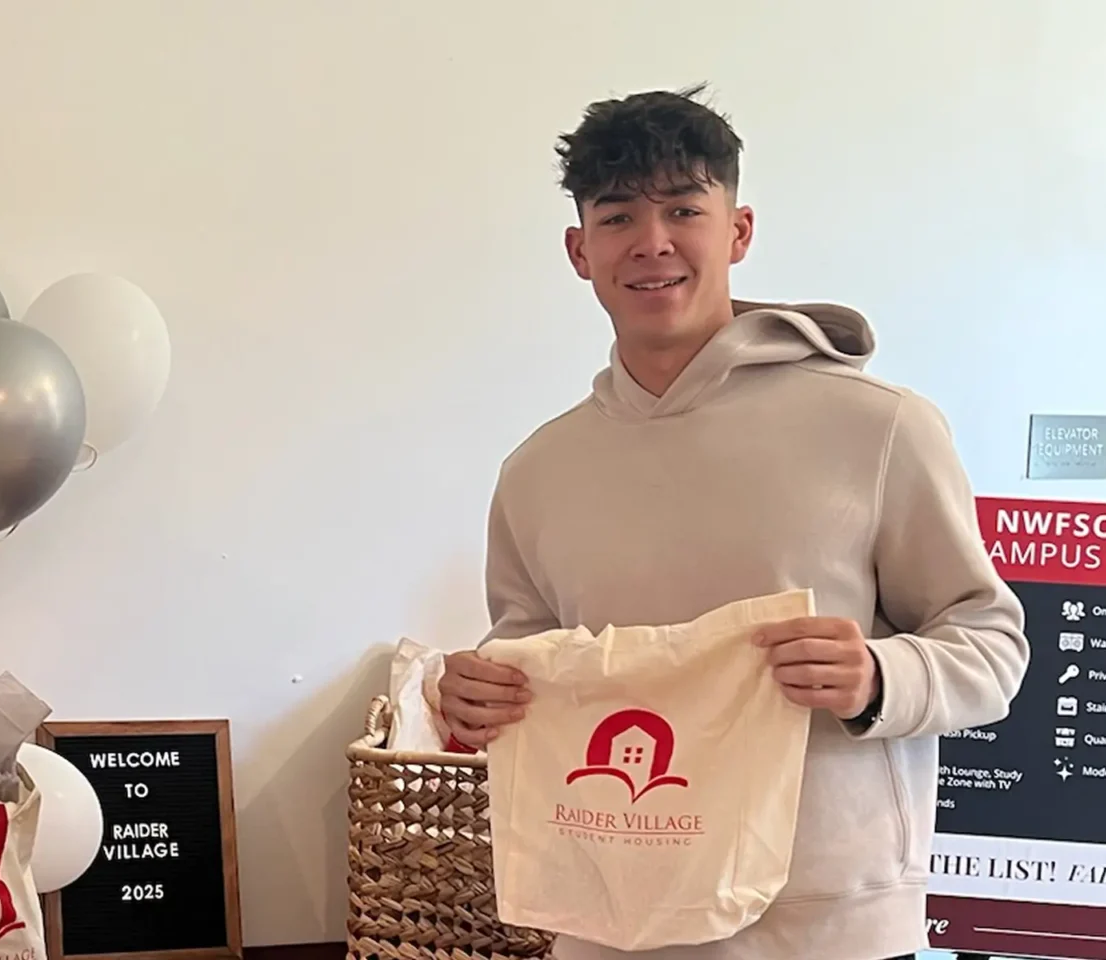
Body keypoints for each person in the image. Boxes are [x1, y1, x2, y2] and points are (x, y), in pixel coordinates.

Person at [435, 85, 1031, 960]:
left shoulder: (880, 427)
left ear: (738, 231)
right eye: (618, 216)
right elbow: (526, 656)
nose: (652, 242)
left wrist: (877, 675)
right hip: (611, 914)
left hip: (826, 926)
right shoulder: (539, 470)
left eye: (684, 209)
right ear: (579, 249)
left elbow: (991, 645)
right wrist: (476, 693)